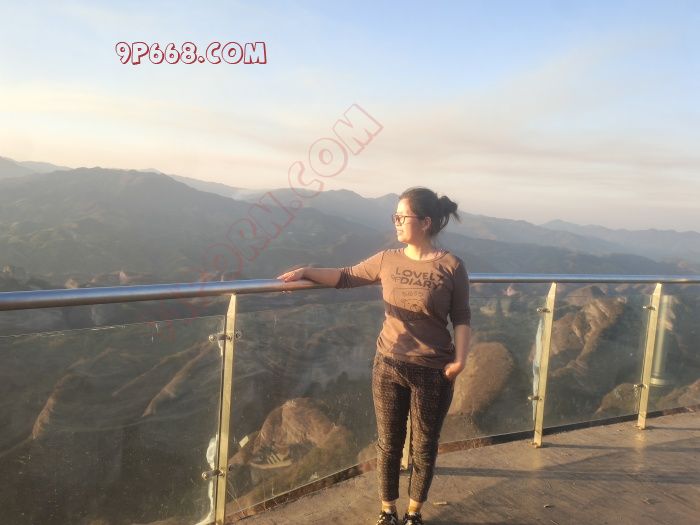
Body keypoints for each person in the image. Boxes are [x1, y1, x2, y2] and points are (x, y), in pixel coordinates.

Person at [277, 187, 471, 525]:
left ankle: (414, 513)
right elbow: (346, 276)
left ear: (425, 222)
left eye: (402, 217)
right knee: (388, 443)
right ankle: (387, 510)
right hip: (388, 364)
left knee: (424, 446)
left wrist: (461, 361)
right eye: (395, 216)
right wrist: (307, 271)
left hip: (432, 370)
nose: (396, 222)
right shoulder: (387, 259)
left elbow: (462, 317)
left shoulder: (452, 266)